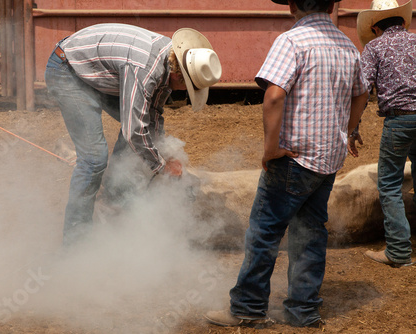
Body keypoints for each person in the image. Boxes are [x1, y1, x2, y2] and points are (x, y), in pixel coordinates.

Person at [204, 0, 369, 329]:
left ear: (293, 4)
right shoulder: (346, 44)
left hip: (294, 158)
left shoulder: (292, 41)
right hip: (327, 161)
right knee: (310, 235)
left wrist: (271, 148)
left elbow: (275, 95)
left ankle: (247, 308)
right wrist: (349, 131)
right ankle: (303, 311)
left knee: (264, 235)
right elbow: (362, 93)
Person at [45, 23, 222, 247]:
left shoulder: (171, 61)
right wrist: (161, 166)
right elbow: (134, 131)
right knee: (94, 159)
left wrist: (169, 155)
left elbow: (153, 115)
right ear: (179, 75)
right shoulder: (146, 70)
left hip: (97, 71)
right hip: (68, 70)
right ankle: (75, 242)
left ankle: (114, 193)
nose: (182, 91)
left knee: (140, 127)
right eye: (185, 86)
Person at [351, 0, 416, 267]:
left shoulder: (374, 48)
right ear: (401, 22)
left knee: (389, 186)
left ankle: (399, 251)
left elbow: (362, 90)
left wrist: (352, 128)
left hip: (399, 121)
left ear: (375, 27)